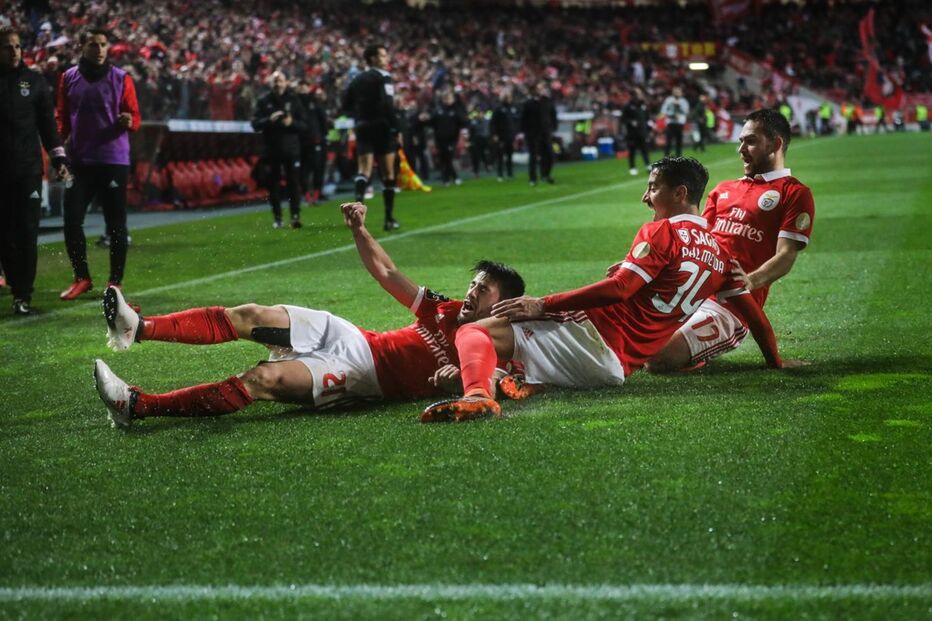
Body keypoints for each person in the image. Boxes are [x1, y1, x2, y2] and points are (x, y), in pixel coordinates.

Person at [93, 202, 527, 428]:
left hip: (360, 375)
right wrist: (360, 230)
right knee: (249, 313)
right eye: (473, 283)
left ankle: (137, 406)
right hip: (354, 337)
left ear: (502, 303)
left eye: (482, 289)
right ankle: (138, 326)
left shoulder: (495, 348)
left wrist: (461, 383)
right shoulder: (446, 310)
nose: (471, 292)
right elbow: (390, 273)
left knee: (262, 380)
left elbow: (498, 385)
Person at [420, 157, 783, 422]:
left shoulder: (661, 232)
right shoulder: (721, 254)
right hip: (617, 370)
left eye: (653, 187)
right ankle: (526, 380)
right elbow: (754, 318)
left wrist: (542, 303)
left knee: (475, 331)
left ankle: (478, 395)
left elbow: (619, 289)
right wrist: (776, 364)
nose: (645, 197)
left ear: (680, 193)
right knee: (521, 337)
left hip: (593, 338)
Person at [646, 109, 814, 373]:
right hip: (690, 292)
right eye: (740, 141)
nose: (741, 149)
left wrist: (750, 281)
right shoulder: (723, 189)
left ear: (776, 143)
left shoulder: (794, 193)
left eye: (751, 141)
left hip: (731, 307)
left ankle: (697, 354)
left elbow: (786, 256)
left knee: (658, 360)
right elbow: (696, 239)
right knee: (627, 339)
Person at [56, 27, 140, 300]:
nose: (100, 49)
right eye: (94, 44)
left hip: (113, 159)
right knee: (71, 220)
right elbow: (62, 120)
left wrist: (130, 120)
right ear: (82, 46)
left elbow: (135, 116)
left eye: (104, 44)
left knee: (116, 223)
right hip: (79, 160)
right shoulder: (68, 78)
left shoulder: (121, 78)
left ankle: (115, 281)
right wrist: (58, 153)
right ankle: (82, 277)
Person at [0, 26, 70, 315]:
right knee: (4, 235)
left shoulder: (36, 82)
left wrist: (59, 160)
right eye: (7, 47)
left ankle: (22, 295)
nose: (14, 51)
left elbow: (48, 127)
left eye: (17, 46)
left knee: (27, 233)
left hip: (28, 169)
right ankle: (16, 284)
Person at [342, 43, 401, 231]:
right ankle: (389, 219)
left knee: (363, 172)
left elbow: (345, 104)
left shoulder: (357, 79)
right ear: (373, 58)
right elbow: (388, 104)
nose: (386, 58)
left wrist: (360, 115)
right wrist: (396, 128)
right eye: (383, 55)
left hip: (363, 127)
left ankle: (355, 217)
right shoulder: (384, 77)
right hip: (383, 127)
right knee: (388, 173)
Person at [252, 71, 307, 228]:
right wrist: (268, 120)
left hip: (291, 149)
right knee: (273, 186)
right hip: (271, 150)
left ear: (286, 82)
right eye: (275, 80)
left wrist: (291, 123)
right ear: (271, 83)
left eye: (280, 80)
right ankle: (278, 218)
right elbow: (255, 124)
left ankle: (295, 217)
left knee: (293, 184)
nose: (278, 83)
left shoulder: (294, 99)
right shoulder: (263, 101)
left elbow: (304, 125)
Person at [297, 82, 328, 205]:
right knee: (305, 169)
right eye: (301, 87)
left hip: (315, 140)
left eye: (304, 86)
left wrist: (322, 135)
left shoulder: (314, 101)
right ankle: (307, 194)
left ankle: (316, 193)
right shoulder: (295, 102)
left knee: (317, 168)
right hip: (302, 141)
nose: (303, 89)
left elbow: (322, 119)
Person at [521, 82, 557, 186]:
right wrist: (524, 132)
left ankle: (545, 174)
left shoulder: (547, 101)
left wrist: (553, 128)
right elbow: (524, 119)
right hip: (533, 133)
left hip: (545, 132)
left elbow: (553, 115)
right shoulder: (528, 103)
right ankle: (532, 178)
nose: (542, 90)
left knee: (549, 155)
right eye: (540, 88)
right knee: (533, 156)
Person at [431, 91, 466, 186]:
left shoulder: (456, 110)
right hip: (440, 139)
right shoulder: (438, 110)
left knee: (448, 158)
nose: (449, 100)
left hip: (452, 139)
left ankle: (449, 178)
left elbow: (463, 121)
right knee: (443, 159)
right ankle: (451, 178)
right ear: (443, 99)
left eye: (450, 98)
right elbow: (432, 123)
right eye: (447, 98)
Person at [621, 87, 652, 175]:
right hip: (632, 133)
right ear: (633, 95)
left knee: (645, 149)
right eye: (638, 94)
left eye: (640, 94)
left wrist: (649, 128)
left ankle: (647, 165)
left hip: (643, 131)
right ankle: (632, 167)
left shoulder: (643, 105)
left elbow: (647, 118)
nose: (640, 95)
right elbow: (623, 119)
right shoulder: (628, 106)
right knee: (632, 150)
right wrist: (631, 122)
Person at [490, 90, 519, 181]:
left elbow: (515, 122)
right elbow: (493, 123)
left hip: (510, 135)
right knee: (500, 156)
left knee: (510, 155)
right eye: (507, 97)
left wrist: (516, 134)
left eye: (510, 97)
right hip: (501, 135)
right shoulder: (498, 109)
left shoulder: (513, 108)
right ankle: (500, 174)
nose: (509, 99)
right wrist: (494, 134)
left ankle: (510, 173)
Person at [660, 87, 688, 157]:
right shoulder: (668, 100)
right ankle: (666, 157)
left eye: (678, 92)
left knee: (679, 142)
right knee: (668, 142)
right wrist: (671, 115)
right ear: (672, 93)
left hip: (680, 123)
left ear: (681, 93)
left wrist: (679, 106)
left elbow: (686, 111)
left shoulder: (684, 101)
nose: (676, 93)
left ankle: (679, 157)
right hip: (671, 123)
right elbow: (663, 110)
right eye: (675, 92)